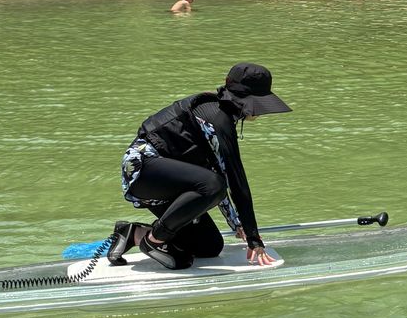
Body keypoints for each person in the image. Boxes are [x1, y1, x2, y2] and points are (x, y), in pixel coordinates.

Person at [106, 63, 291, 270]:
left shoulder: (221, 114)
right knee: (213, 185)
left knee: (209, 246)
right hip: (144, 172)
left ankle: (134, 234)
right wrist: (253, 238)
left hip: (171, 184)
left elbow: (217, 175)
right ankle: (155, 241)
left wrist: (238, 224)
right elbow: (233, 182)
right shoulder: (218, 119)